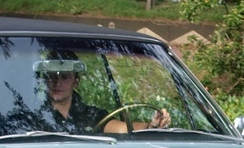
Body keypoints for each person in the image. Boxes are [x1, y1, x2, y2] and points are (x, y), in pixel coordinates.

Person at [38, 53, 170, 134]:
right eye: (51, 76)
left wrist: (150, 125)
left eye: (65, 77)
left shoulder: (90, 115)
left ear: (76, 81)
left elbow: (123, 129)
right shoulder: (33, 115)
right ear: (45, 80)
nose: (57, 83)